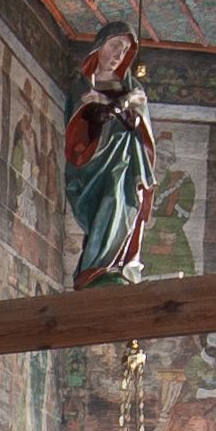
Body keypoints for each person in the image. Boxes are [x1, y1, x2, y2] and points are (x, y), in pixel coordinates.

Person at [64, 22, 155, 287]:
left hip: (125, 161)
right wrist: (118, 106)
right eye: (115, 45)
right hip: (93, 161)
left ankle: (114, 266)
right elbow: (86, 119)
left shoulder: (131, 86)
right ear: (99, 46)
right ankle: (95, 266)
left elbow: (136, 123)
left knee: (123, 204)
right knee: (104, 207)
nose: (118, 54)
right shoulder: (82, 84)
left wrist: (115, 105)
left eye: (124, 50)